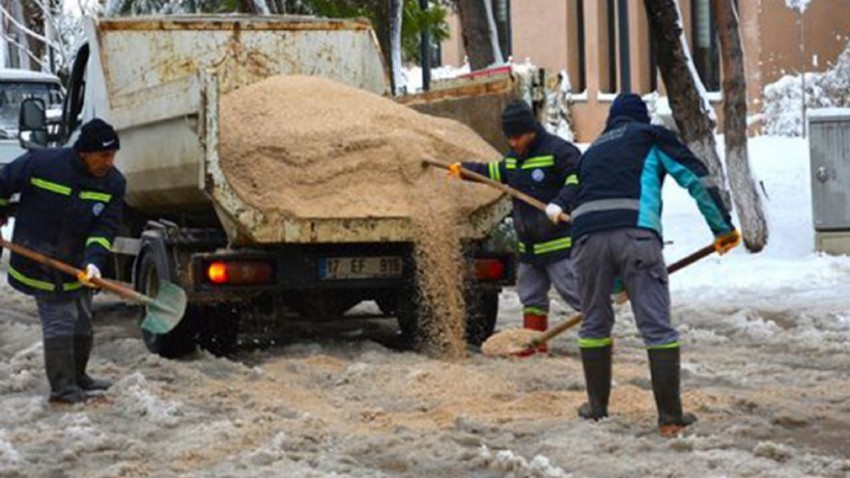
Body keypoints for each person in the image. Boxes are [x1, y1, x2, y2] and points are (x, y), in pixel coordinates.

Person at [569, 93, 740, 436]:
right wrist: (722, 227)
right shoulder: (649, 135)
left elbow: (583, 198)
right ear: (641, 118)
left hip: (585, 240)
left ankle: (597, 409)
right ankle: (670, 418)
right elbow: (696, 178)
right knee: (656, 327)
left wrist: (618, 283)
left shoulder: (594, 150)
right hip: (636, 236)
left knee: (594, 324)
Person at [0, 118, 126, 404]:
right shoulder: (42, 164)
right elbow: (3, 182)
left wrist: (94, 261)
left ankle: (79, 377)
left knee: (82, 319)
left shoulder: (113, 183)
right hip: (38, 258)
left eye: (113, 154)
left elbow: (104, 227)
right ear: (84, 153)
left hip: (77, 264)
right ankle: (62, 388)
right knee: (59, 320)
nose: (109, 161)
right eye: (103, 155)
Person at [449, 100, 582, 354]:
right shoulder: (512, 160)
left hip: (559, 247)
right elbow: (493, 172)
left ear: (530, 131)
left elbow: (579, 176)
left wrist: (561, 203)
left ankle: (600, 337)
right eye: (509, 138)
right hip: (530, 249)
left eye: (517, 137)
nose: (512, 143)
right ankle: (534, 345)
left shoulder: (558, 151)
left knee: (577, 294)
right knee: (531, 298)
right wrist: (464, 170)